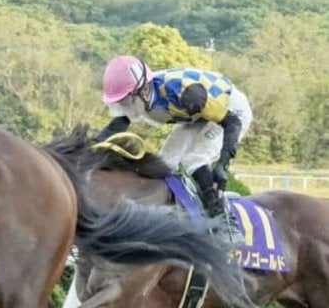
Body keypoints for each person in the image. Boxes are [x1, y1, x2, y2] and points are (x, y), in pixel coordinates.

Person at [96, 55, 253, 238]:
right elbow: (114, 128)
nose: (125, 108)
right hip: (196, 115)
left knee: (194, 159)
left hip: (231, 112)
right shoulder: (141, 94)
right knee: (163, 163)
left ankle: (224, 223)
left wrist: (222, 165)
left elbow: (232, 122)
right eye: (120, 103)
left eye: (126, 102)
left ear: (144, 90)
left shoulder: (186, 94)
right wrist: (87, 150)